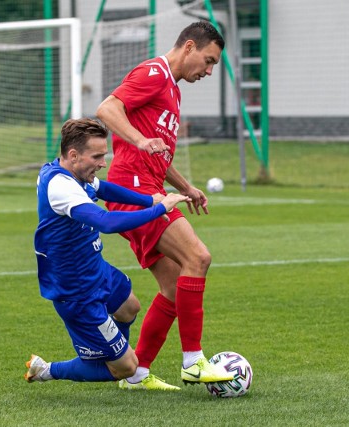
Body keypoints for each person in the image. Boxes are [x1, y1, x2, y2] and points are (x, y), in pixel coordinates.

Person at [96, 21, 233, 390]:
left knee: (174, 288)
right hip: (134, 190)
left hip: (148, 188)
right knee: (198, 258)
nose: (208, 71)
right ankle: (193, 361)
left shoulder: (172, 88)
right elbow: (108, 108)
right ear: (189, 46)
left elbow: (159, 153)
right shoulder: (153, 73)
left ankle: (137, 375)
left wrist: (187, 187)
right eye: (208, 61)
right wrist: (140, 140)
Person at [25, 118, 190, 386]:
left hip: (94, 268)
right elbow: (106, 222)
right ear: (73, 155)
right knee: (127, 367)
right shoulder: (61, 187)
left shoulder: (73, 172)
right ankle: (47, 369)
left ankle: (111, 352)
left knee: (129, 307)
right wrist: (160, 209)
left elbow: (104, 189)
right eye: (98, 156)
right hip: (75, 287)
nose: (103, 163)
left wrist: (150, 199)